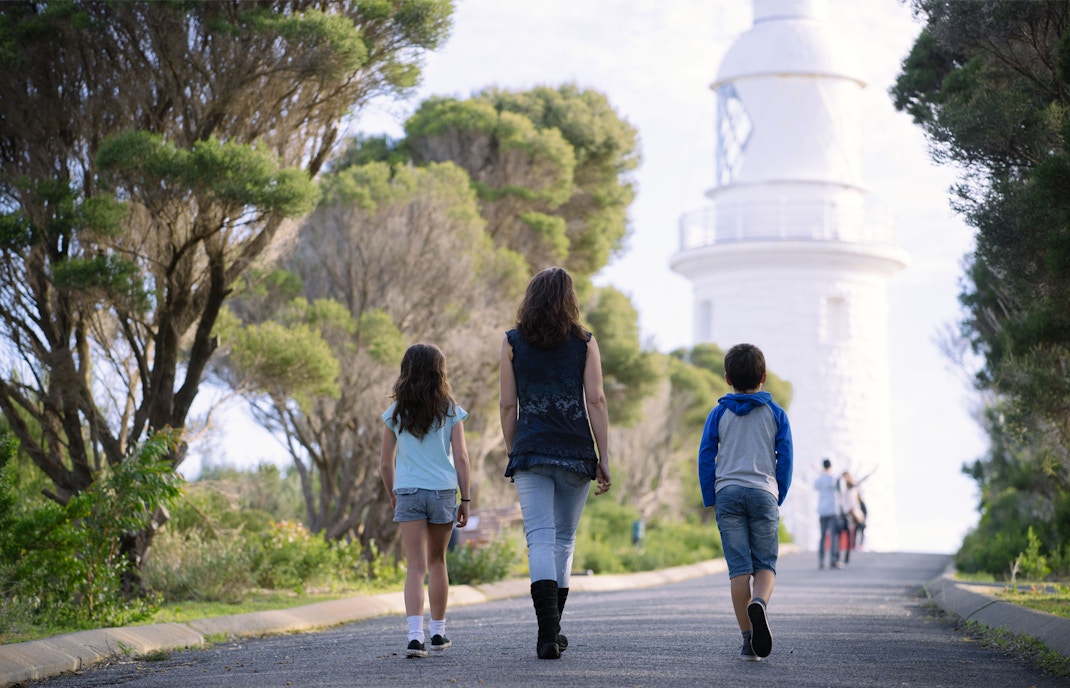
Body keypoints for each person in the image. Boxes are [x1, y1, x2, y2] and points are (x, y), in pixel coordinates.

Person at [499, 266, 612, 660]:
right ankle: (553, 629)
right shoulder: (585, 342)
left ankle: (548, 632)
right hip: (576, 452)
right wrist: (605, 457)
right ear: (570, 300)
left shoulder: (512, 342)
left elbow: (507, 404)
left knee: (540, 540)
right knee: (564, 540)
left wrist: (517, 450)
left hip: (531, 450)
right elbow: (595, 400)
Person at [698, 343, 793, 662]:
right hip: (764, 492)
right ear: (764, 377)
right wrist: (779, 491)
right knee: (765, 564)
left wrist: (710, 495)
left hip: (728, 493)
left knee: (739, 570)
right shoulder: (776, 413)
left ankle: (747, 640)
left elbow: (706, 455)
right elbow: (786, 457)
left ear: (727, 379)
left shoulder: (719, 412)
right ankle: (760, 604)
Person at [379, 343, 471, 659]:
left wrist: (394, 493)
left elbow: (385, 463)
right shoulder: (450, 410)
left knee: (415, 567)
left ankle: (414, 637)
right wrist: (466, 498)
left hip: (408, 492)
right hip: (443, 492)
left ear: (406, 371)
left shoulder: (395, 413)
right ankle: (438, 632)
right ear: (439, 372)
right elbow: (461, 456)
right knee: (437, 562)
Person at [841, 468, 875, 561]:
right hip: (847, 512)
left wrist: (872, 471)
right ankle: (850, 550)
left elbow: (862, 479)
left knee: (858, 528)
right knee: (849, 531)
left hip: (855, 511)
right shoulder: (842, 488)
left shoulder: (853, 486)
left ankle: (859, 545)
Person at [814, 458, 842, 569]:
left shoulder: (819, 479)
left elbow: (815, 487)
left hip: (822, 510)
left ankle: (821, 560)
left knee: (822, 536)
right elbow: (840, 490)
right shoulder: (834, 478)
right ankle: (833, 559)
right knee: (833, 537)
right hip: (832, 510)